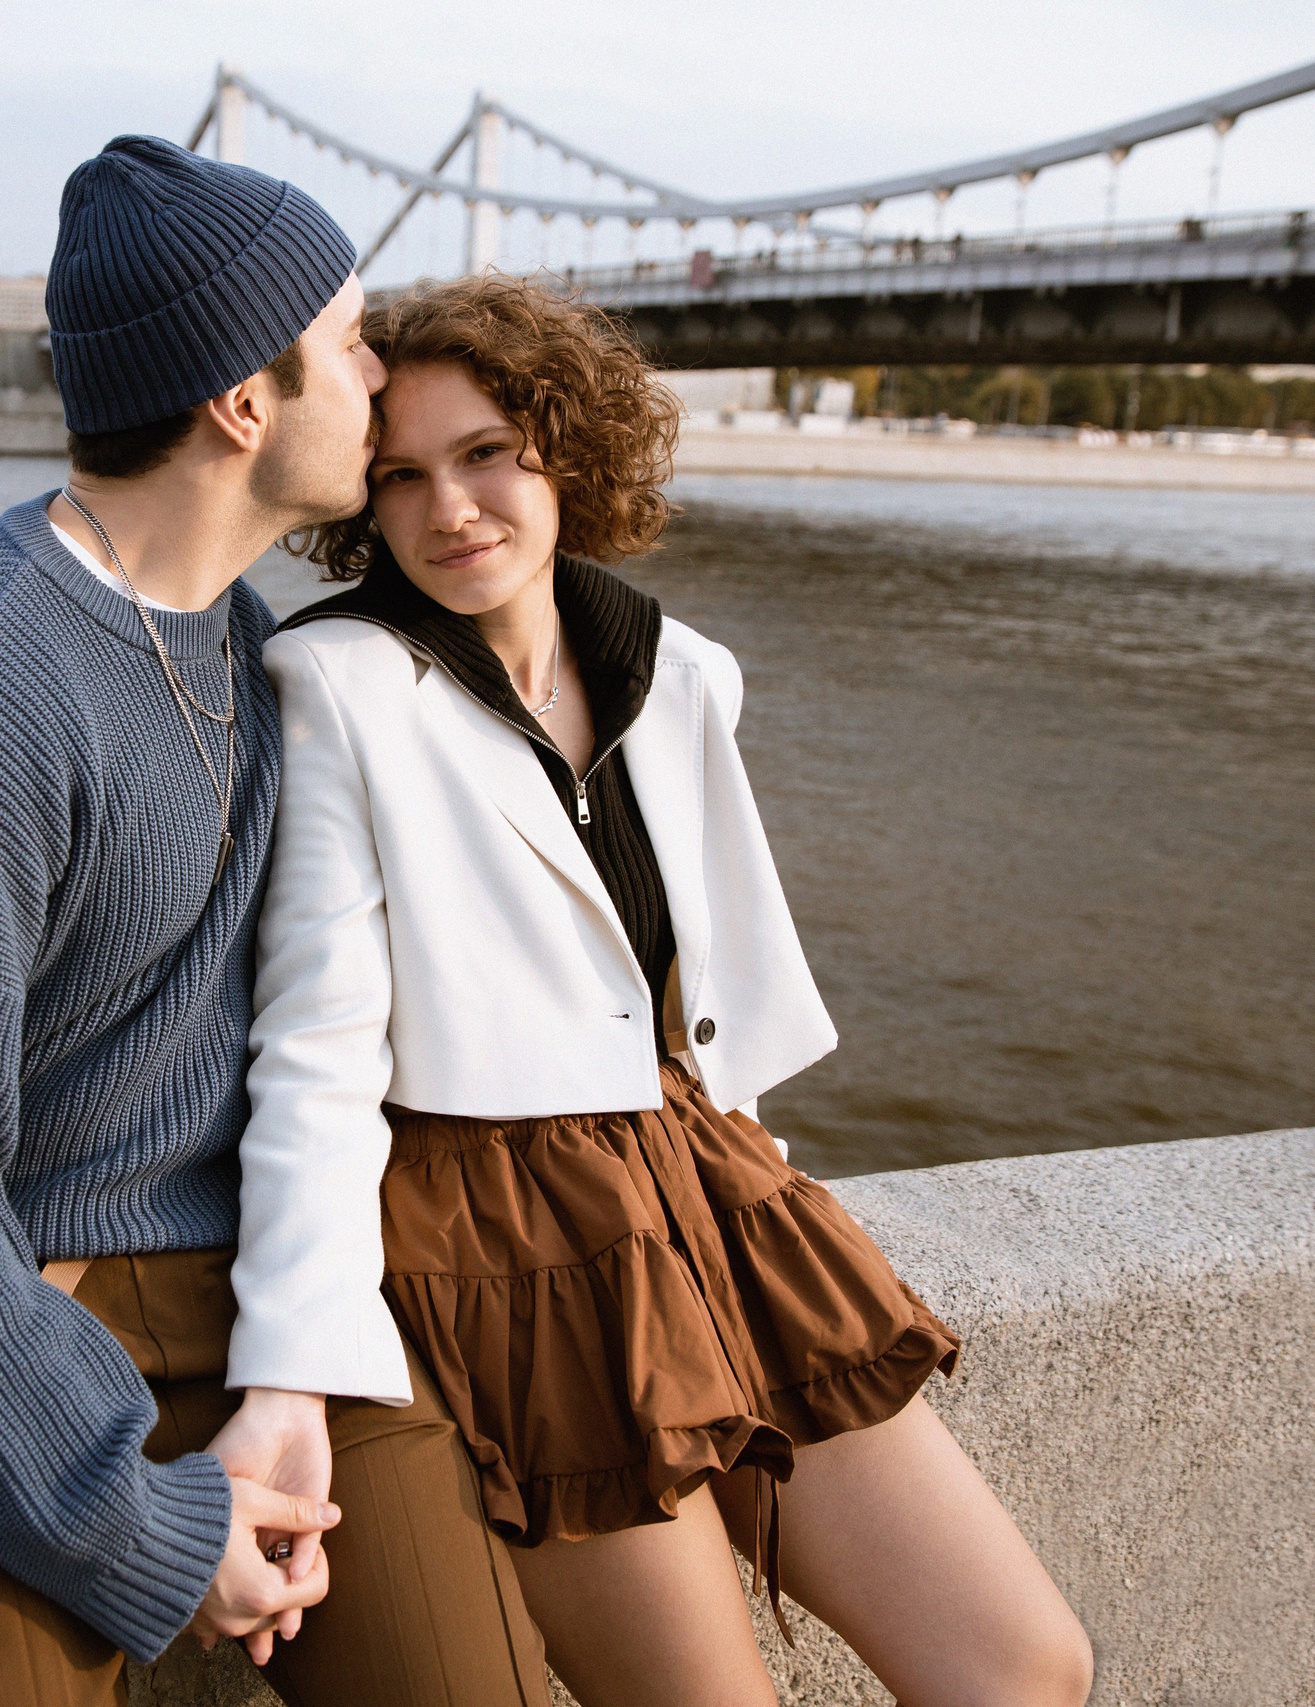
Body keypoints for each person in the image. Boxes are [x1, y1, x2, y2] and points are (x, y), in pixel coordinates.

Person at [0, 141, 553, 1707]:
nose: (382, 375)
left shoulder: (263, 643)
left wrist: (293, 1359)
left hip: (266, 1291)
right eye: (353, 338)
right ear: (246, 402)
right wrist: (136, 1531)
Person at [233, 274, 1096, 1707]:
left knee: (1021, 1665)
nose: (450, 509)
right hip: (510, 1232)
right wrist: (289, 1373)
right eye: (401, 477)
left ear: (568, 448)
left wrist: (746, 1151)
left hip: (706, 1181)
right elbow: (314, 1052)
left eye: (488, 454)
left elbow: (690, 992)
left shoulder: (680, 672)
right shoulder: (337, 685)